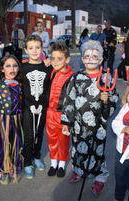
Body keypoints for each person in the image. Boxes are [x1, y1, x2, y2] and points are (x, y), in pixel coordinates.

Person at [61, 40, 118, 196]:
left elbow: (114, 101)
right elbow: (69, 99)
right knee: (77, 148)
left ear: (100, 60)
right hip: (79, 124)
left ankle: (100, 177)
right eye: (86, 56)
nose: (90, 59)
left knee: (97, 152)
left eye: (95, 56)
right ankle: (78, 170)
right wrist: (66, 121)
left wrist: (107, 100)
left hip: (98, 125)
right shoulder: (76, 77)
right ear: (82, 58)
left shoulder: (106, 78)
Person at [19, 34, 52, 179]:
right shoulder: (22, 68)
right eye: (31, 48)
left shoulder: (47, 67)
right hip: (27, 108)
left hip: (43, 106)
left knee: (39, 133)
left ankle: (37, 156)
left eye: (37, 47)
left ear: (42, 49)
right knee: (29, 135)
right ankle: (27, 162)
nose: (34, 50)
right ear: (26, 50)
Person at [0, 55, 23, 184]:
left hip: (16, 119)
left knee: (15, 144)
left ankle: (12, 166)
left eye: (15, 66)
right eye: (8, 66)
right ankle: (3, 169)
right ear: (2, 69)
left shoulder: (20, 84)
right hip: (2, 119)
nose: (12, 69)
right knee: (2, 145)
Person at [45, 42, 74, 178]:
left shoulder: (72, 77)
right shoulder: (51, 72)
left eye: (60, 58)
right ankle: (53, 163)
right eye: (53, 58)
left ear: (67, 60)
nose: (55, 62)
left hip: (63, 114)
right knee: (52, 139)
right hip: (50, 113)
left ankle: (62, 164)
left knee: (63, 140)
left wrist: (68, 119)